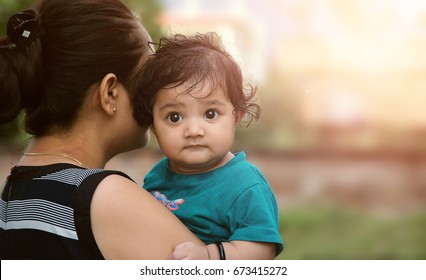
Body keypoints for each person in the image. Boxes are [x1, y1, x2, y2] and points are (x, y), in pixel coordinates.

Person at [0, 0, 204, 259]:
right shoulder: (106, 198)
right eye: (147, 81)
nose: (155, 97)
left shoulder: (15, 190)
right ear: (110, 93)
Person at [132, 33, 284, 260]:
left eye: (210, 114)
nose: (194, 130)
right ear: (153, 125)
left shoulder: (245, 185)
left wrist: (209, 257)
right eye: (174, 117)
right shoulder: (156, 176)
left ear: (237, 116)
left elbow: (262, 250)